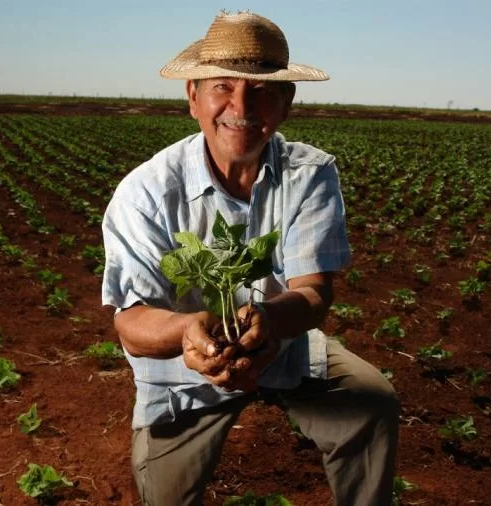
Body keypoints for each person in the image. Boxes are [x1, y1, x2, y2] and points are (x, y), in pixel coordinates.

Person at [101, 10, 399, 506]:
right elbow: (131, 322)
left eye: (262, 89)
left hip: (281, 346)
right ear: (193, 97)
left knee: (372, 403)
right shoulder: (146, 192)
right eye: (222, 87)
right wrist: (189, 331)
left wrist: (267, 321)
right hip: (184, 371)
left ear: (286, 102)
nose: (241, 105)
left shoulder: (311, 174)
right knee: (166, 492)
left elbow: (314, 293)